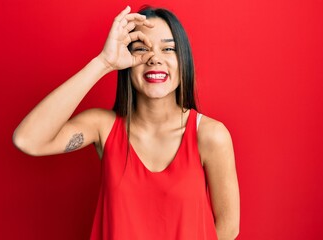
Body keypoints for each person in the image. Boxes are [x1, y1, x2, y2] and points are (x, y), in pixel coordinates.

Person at [13, 5, 240, 240]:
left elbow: (228, 227)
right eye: (142, 49)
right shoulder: (103, 127)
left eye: (168, 48)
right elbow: (28, 140)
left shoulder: (210, 135)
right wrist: (104, 63)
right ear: (128, 63)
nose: (154, 58)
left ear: (184, 60)